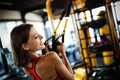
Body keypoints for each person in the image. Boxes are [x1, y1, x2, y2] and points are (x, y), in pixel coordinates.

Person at [10, 23, 74, 80]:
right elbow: (71, 78)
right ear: (25, 46)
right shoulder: (51, 56)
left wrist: (45, 53)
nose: (42, 37)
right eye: (36, 37)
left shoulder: (26, 67)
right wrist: (63, 53)